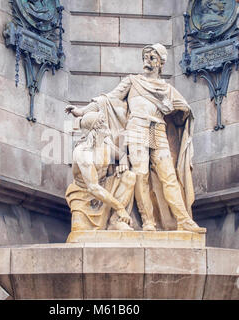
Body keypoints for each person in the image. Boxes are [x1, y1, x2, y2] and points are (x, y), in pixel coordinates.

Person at [67, 43, 206, 234]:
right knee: (141, 176)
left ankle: (184, 220)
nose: (147, 61)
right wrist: (82, 111)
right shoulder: (132, 81)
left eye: (152, 58)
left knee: (169, 176)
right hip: (136, 129)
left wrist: (182, 110)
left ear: (161, 63)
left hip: (157, 130)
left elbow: (183, 112)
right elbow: (107, 99)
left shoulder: (167, 89)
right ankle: (148, 221)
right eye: (145, 57)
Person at [66, 111, 136, 232]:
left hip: (104, 186)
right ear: (96, 129)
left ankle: (115, 221)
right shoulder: (83, 153)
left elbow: (122, 155)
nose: (106, 125)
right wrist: (120, 207)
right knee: (81, 233)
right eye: (103, 123)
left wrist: (123, 165)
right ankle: (116, 214)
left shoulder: (106, 142)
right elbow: (93, 187)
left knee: (129, 176)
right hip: (84, 195)